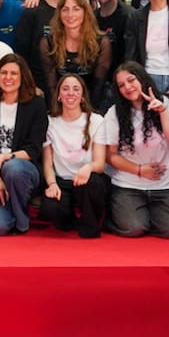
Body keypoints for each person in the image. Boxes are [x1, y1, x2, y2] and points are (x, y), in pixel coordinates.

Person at [98, 62, 169, 238]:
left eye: (131, 80)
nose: (128, 87)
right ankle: (121, 213)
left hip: (166, 185)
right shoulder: (114, 112)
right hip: (128, 184)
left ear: (142, 79)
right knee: (134, 228)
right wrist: (139, 170)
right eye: (121, 85)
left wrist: (162, 111)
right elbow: (110, 156)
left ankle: (145, 215)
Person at [0, 54, 47, 236]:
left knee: (14, 168)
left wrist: (3, 157)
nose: (8, 78)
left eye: (14, 73)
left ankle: (22, 222)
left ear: (22, 77)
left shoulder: (36, 105)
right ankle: (10, 210)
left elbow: (34, 149)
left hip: (24, 169)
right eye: (3, 73)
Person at [40, 73, 109, 238]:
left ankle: (91, 225)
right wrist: (52, 184)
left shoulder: (96, 120)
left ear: (83, 96)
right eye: (65, 89)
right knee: (50, 207)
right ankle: (68, 220)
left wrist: (88, 167)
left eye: (76, 89)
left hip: (87, 180)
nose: (71, 93)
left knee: (92, 185)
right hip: (63, 182)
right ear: (58, 96)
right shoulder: (49, 122)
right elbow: (48, 163)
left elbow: (100, 163)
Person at [38, 0, 113, 109]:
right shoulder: (48, 42)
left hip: (91, 104)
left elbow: (98, 85)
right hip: (60, 104)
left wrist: (89, 113)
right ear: (59, 14)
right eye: (65, 9)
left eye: (76, 9)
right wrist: (58, 111)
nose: (70, 14)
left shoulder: (102, 42)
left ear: (85, 12)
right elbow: (51, 85)